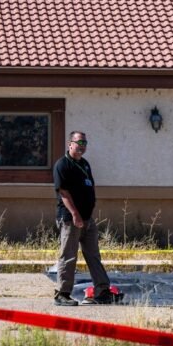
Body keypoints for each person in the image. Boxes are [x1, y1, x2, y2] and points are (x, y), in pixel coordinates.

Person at [52, 131, 115, 306]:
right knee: (69, 255)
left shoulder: (85, 164)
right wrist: (75, 214)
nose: (82, 146)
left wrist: (87, 212)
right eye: (79, 142)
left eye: (85, 143)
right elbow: (63, 192)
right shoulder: (62, 165)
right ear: (70, 144)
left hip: (87, 219)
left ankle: (102, 291)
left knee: (93, 255)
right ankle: (63, 294)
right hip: (71, 219)